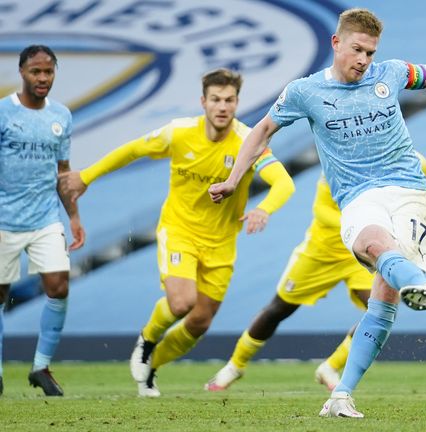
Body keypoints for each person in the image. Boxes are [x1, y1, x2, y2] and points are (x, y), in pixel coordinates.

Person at [208, 8, 426, 418]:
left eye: (370, 52)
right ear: (336, 43)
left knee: (384, 302)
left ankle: (341, 395)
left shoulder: (391, 74)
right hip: (358, 196)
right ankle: (422, 286)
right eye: (357, 50)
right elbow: (260, 132)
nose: (363, 60)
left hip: (409, 192)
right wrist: (233, 179)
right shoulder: (305, 92)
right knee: (371, 241)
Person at [58, 68, 295, 397]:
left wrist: (263, 209)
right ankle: (148, 338)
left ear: (238, 103)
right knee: (182, 302)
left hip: (222, 244)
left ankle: (152, 367)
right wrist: (87, 176)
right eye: (216, 100)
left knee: (199, 322)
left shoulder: (247, 141)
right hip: (179, 230)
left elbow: (284, 183)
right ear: (203, 102)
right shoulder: (179, 133)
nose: (222, 107)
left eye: (229, 100)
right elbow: (133, 150)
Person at [204, 151, 426, 392]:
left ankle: (331, 367)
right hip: (322, 250)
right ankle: (235, 365)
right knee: (278, 309)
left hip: (368, 253)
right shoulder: (342, 164)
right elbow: (321, 210)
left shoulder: (415, 163)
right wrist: (366, 222)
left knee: (378, 310)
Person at [0, 45, 85, 397]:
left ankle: (41, 367)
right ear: (22, 72)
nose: (43, 78)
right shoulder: (4, 112)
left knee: (59, 286)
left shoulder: (61, 116)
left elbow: (63, 172)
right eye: (36, 72)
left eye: (48, 72)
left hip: (45, 216)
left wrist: (74, 217)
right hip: (4, 218)